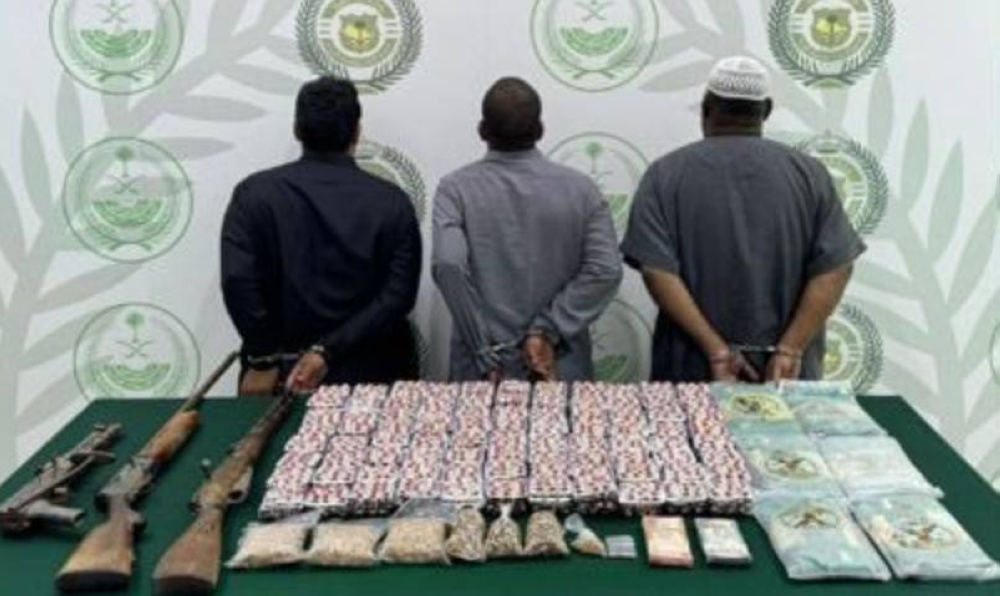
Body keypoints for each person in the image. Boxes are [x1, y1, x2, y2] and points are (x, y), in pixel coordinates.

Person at [620, 56, 865, 383]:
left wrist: (717, 351)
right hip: (784, 377)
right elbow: (836, 267)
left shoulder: (665, 175)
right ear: (766, 111)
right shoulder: (809, 175)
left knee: (690, 422)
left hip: (694, 370)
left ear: (706, 109)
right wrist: (790, 350)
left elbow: (656, 270)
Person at [221, 77, 421, 395]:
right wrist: (327, 351)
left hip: (281, 374)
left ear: (297, 129)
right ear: (357, 132)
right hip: (373, 378)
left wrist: (262, 358)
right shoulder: (391, 202)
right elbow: (398, 298)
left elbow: (238, 283)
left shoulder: (254, 195)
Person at [432, 77, 622, 382]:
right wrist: (546, 330)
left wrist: (483, 349)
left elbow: (447, 264)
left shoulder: (455, 189)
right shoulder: (582, 190)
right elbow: (605, 270)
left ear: (481, 130)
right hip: (557, 366)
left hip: (482, 372)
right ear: (540, 130)